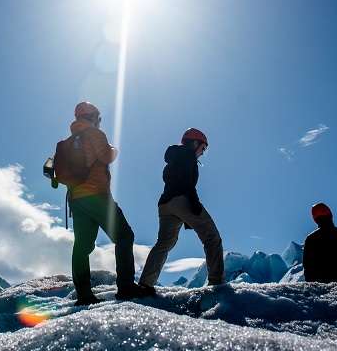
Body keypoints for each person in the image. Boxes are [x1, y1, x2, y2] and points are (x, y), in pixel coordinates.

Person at [64, 101, 150, 305]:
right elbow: (107, 156)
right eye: (98, 118)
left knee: (82, 247)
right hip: (97, 195)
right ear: (92, 116)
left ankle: (84, 295)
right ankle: (126, 287)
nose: (99, 122)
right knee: (124, 236)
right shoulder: (94, 134)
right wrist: (113, 149)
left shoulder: (68, 141)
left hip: (76, 200)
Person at [139, 128, 224, 292]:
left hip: (165, 204)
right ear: (194, 143)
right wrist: (194, 203)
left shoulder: (175, 156)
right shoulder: (187, 155)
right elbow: (186, 182)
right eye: (203, 148)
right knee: (212, 237)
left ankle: (145, 284)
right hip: (181, 199)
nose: (202, 152)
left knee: (164, 243)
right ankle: (217, 284)